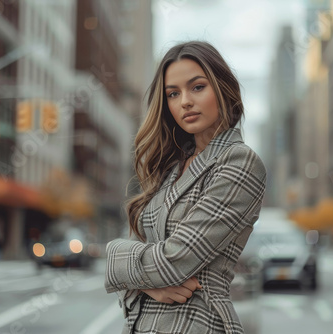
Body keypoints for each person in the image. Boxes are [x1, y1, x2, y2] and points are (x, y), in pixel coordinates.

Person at [105, 41, 267, 334]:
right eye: (173, 94)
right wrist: (148, 286)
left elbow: (177, 259)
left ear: (223, 89)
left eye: (197, 87)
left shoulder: (240, 162)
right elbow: (142, 251)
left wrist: (114, 257)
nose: (185, 102)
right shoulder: (171, 167)